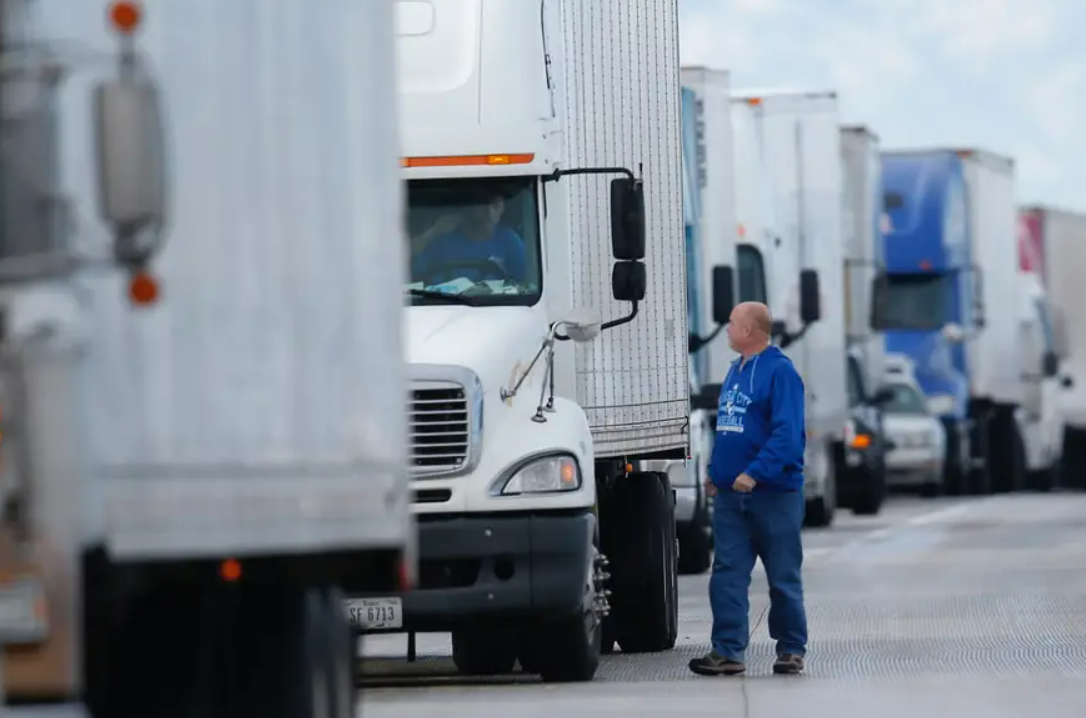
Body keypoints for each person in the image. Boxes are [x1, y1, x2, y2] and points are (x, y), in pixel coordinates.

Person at [688, 301, 809, 677]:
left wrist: (755, 473)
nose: (726, 328)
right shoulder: (734, 373)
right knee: (726, 575)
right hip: (731, 498)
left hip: (774, 497)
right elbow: (728, 428)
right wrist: (715, 473)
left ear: (751, 330)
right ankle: (727, 651)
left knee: (782, 577)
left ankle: (791, 649)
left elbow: (788, 435)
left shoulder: (780, 372)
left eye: (732, 322)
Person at [410, 191, 528, 285]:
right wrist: (434, 231)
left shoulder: (509, 241)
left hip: (492, 308)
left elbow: (523, 284)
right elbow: (412, 270)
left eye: (496, 204)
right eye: (477, 202)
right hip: (442, 307)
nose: (489, 209)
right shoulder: (442, 242)